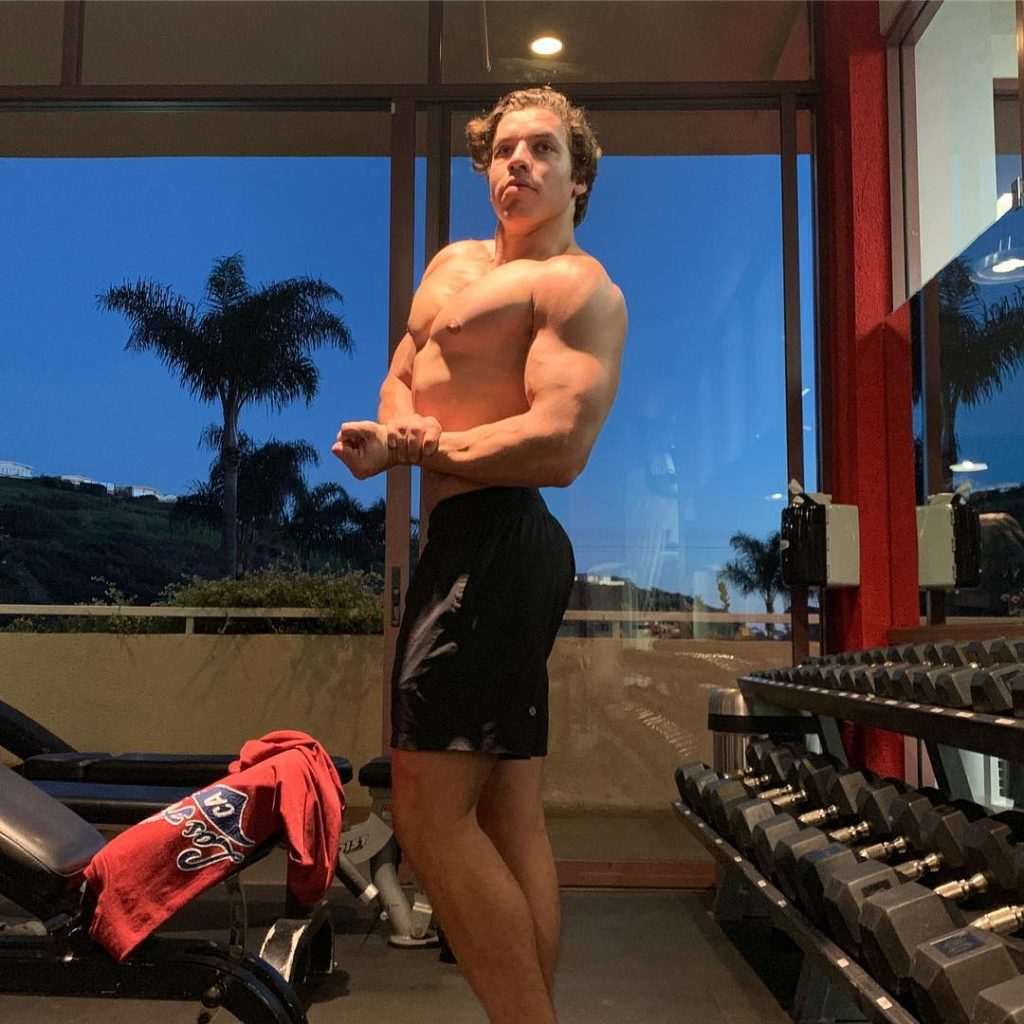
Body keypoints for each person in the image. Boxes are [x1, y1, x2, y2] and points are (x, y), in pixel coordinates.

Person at [332, 86, 627, 1024]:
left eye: (542, 150)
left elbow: (560, 443)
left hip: (500, 539)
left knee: (424, 815)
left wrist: (422, 452)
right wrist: (395, 428)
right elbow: (404, 365)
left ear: (578, 178)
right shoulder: (453, 267)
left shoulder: (576, 286)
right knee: (505, 813)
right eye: (503, 151)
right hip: (462, 538)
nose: (518, 164)